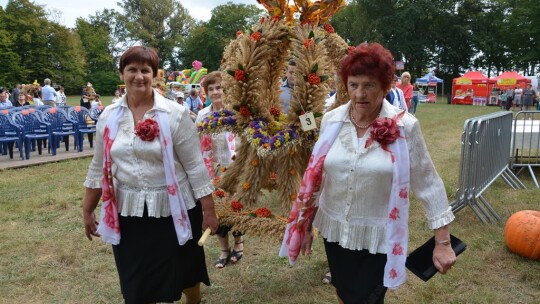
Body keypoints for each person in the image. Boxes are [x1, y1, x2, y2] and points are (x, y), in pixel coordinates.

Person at [281, 42, 456, 304]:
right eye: (353, 85)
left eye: (369, 85)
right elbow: (319, 176)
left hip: (379, 236)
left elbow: (429, 182)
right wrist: (304, 223)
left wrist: (442, 243)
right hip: (336, 231)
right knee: (344, 291)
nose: (360, 94)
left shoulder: (405, 126)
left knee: (367, 299)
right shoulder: (332, 121)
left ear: (386, 86)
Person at [82, 46, 218, 304]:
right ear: (122, 74)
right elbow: (99, 166)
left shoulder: (174, 114)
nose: (139, 76)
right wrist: (88, 208)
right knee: (136, 283)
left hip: (175, 210)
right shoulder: (109, 116)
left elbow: (195, 167)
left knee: (187, 274)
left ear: (154, 75)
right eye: (132, 69)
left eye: (145, 70)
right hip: (130, 214)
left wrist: (209, 210)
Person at [195, 71, 243, 269]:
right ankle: (224, 248)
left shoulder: (237, 112)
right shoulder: (202, 115)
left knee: (237, 208)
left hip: (236, 168)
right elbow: (199, 144)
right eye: (211, 89)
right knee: (218, 210)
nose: (216, 92)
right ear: (206, 92)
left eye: (219, 88)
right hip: (213, 171)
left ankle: (239, 243)